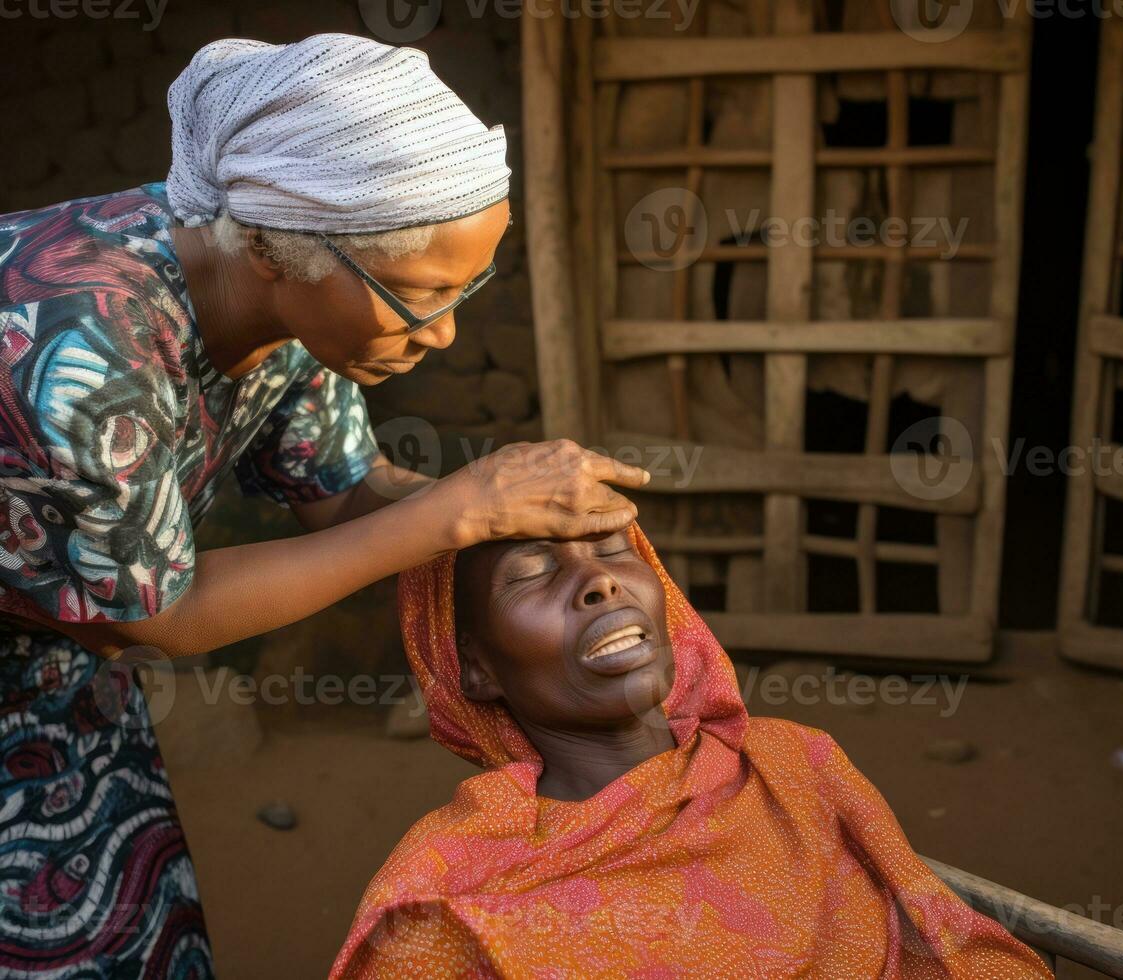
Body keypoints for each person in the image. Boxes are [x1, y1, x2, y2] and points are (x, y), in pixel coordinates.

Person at [0, 33, 647, 978]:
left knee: (117, 934)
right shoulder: (73, 341)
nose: (447, 331)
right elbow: (154, 622)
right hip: (74, 645)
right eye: (420, 294)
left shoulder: (285, 301)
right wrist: (456, 509)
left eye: (469, 286)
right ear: (270, 248)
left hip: (56, 679)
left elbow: (342, 496)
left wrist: (524, 527)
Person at [330, 526, 1052, 978]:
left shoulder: (789, 762)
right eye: (531, 573)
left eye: (613, 549)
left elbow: (940, 944)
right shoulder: (446, 907)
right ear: (476, 669)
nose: (599, 581)